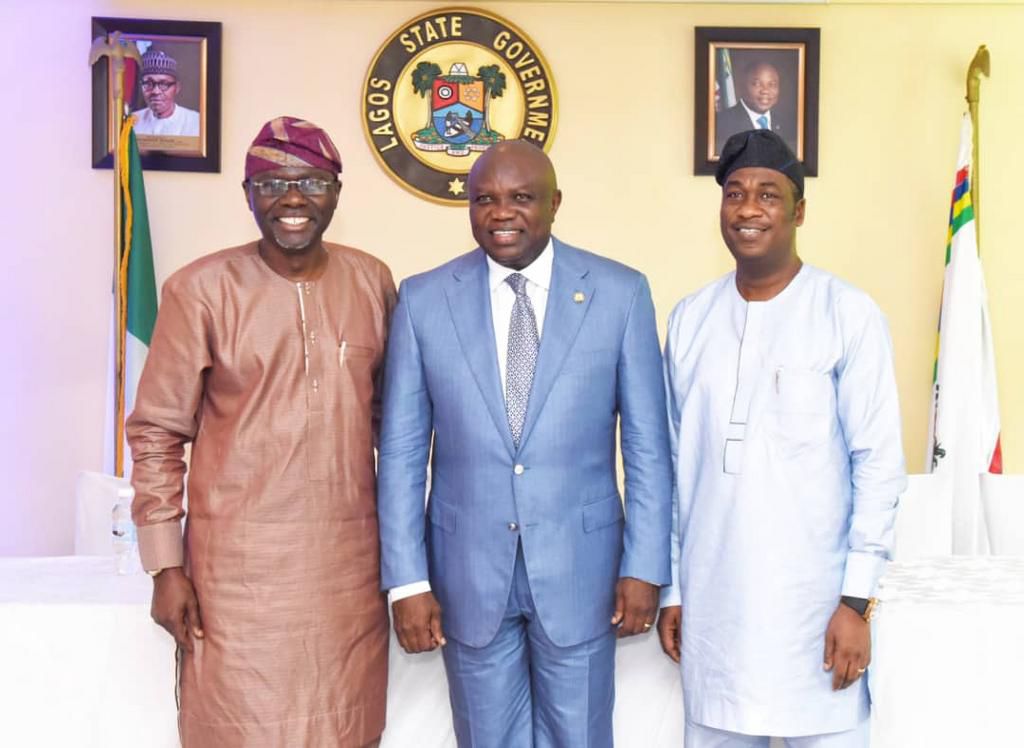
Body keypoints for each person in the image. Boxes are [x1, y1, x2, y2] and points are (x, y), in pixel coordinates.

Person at [377, 139, 672, 747]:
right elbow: (402, 454)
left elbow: (647, 447)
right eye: (485, 199)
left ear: (555, 204)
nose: (501, 213)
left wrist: (645, 565)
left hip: (582, 571)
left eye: (520, 198)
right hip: (466, 572)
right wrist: (407, 581)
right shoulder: (423, 300)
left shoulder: (621, 294)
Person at [127, 116, 396, 747]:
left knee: (345, 728)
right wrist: (165, 566)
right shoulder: (200, 290)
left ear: (336, 190)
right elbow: (157, 433)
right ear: (248, 194)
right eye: (272, 184)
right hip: (235, 575)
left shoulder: (372, 281)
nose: (293, 199)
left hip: (349, 569)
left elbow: (397, 426)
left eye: (310, 182)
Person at [657, 129, 906, 748]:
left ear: (798, 212)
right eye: (735, 193)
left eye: (768, 195)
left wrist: (858, 602)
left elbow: (878, 465)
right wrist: (673, 587)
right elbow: (669, 465)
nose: (748, 209)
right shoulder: (690, 319)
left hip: (817, 618)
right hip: (715, 618)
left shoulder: (847, 313)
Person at [715, 61, 795, 155]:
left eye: (772, 85)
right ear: (741, 87)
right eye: (757, 84)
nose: (765, 91)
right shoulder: (721, 123)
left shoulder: (787, 125)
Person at [131, 49, 200, 136]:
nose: (156, 91)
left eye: (163, 84)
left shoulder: (196, 122)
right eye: (148, 84)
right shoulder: (132, 122)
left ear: (177, 88)